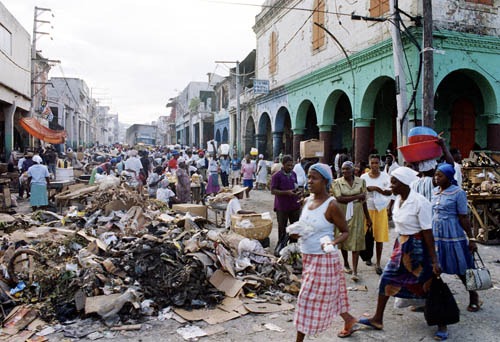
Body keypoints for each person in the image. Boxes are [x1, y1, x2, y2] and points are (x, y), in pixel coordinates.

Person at [358, 167, 441, 336]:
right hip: (402, 245)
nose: (391, 185)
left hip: (417, 247)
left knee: (428, 284)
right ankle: (378, 318)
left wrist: (434, 260)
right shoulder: (397, 200)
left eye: (394, 182)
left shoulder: (420, 202)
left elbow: (427, 232)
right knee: (388, 279)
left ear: (404, 183)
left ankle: (442, 323)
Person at [293, 163, 357, 340]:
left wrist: (333, 241)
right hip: (308, 257)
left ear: (325, 181)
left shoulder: (332, 205)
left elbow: (345, 231)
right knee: (334, 294)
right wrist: (296, 233)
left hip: (324, 259)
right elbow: (306, 227)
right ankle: (349, 320)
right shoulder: (306, 201)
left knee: (305, 299)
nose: (309, 181)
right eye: (308, 177)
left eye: (314, 178)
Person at [431, 163, 479, 341]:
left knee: (462, 269)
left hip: (453, 236)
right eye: (436, 176)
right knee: (434, 272)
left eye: (440, 176)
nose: (437, 179)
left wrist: (471, 239)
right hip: (436, 236)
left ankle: (473, 295)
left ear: (449, 177)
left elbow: (463, 217)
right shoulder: (435, 191)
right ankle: (433, 307)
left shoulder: (458, 193)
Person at [332, 161, 372, 281]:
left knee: (356, 240)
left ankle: (355, 270)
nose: (345, 172)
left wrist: (368, 217)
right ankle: (345, 263)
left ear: (353, 169)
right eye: (343, 169)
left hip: (358, 214)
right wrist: (357, 197)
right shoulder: (337, 182)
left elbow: (364, 201)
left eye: (347, 169)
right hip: (342, 214)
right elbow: (340, 198)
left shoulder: (361, 181)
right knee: (343, 239)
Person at [360, 154, 392, 274]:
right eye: (372, 163)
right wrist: (367, 189)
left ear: (380, 164)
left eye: (376, 163)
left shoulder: (385, 176)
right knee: (366, 236)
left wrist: (377, 189)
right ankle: (368, 257)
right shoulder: (363, 177)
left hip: (380, 210)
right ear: (369, 164)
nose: (374, 165)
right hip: (367, 209)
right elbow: (360, 192)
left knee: (379, 238)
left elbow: (390, 192)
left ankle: (378, 263)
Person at [270, 154, 301, 256]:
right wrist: (287, 192)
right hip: (282, 206)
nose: (290, 167)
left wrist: (298, 192)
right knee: (282, 228)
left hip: (294, 205)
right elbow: (273, 191)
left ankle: (293, 248)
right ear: (283, 165)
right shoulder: (276, 176)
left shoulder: (293, 174)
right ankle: (281, 247)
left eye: (291, 165)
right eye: (288, 165)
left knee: (294, 227)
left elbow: (295, 186)